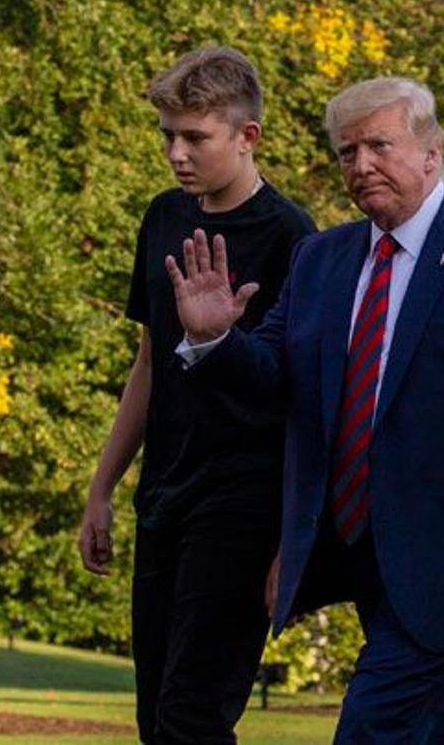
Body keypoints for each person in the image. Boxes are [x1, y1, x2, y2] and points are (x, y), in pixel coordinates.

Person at [166, 77, 444, 743]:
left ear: (432, 152)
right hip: (362, 558)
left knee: (373, 731)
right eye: (346, 152)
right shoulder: (320, 259)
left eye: (380, 146)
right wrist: (216, 338)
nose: (361, 166)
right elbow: (273, 378)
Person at [76, 46, 316, 743]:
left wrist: (292, 539)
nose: (177, 154)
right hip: (165, 494)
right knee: (158, 720)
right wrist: (103, 487)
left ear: (248, 137)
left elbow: (305, 397)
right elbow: (149, 361)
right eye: (168, 136)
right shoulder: (162, 218)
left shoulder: (293, 238)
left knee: (193, 717)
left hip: (243, 502)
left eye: (195, 137)